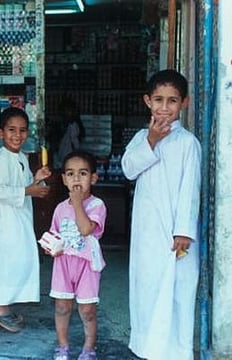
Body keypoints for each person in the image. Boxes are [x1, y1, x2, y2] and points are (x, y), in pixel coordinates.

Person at [121, 69, 201, 359]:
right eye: (158, 100)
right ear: (147, 101)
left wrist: (183, 230)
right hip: (147, 235)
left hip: (176, 237)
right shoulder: (142, 137)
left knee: (177, 295)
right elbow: (129, 169)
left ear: (185, 103)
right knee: (148, 291)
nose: (164, 108)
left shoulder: (188, 143)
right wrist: (151, 141)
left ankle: (176, 353)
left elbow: (190, 190)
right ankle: (148, 350)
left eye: (172, 101)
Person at [0, 106, 51, 333]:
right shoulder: (1, 159)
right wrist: (30, 191)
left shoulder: (19, 157)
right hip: (4, 222)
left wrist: (36, 179)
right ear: (0, 133)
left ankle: (2, 306)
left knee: (14, 261)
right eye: (11, 130)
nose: (17, 135)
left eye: (22, 130)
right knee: (3, 262)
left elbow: (23, 183)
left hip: (17, 220)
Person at [45, 150, 107, 360]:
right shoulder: (60, 208)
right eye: (70, 174)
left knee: (87, 310)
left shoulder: (97, 205)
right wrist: (50, 246)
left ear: (93, 178)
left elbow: (86, 229)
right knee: (62, 307)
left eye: (82, 173)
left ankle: (89, 349)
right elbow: (54, 233)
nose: (76, 179)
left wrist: (78, 202)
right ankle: (62, 346)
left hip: (87, 264)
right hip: (63, 263)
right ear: (64, 179)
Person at [54, 100, 85, 169]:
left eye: (67, 111)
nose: (66, 113)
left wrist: (76, 153)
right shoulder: (67, 124)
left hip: (69, 152)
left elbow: (74, 140)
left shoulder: (73, 124)